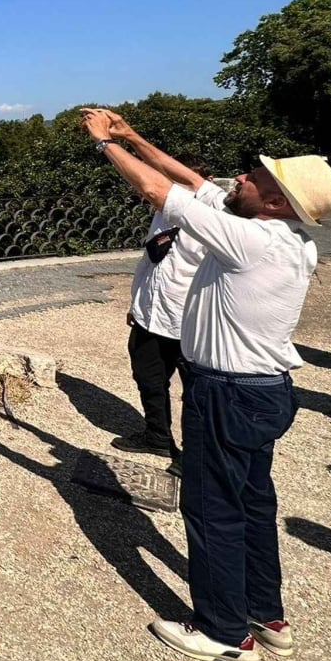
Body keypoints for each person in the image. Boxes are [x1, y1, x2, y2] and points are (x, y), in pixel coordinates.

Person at [81, 107, 331, 661]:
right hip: (266, 391)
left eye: (255, 178)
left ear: (275, 202)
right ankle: (265, 616)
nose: (239, 179)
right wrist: (132, 135)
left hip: (225, 393)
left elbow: (158, 189)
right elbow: (195, 184)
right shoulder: (290, 242)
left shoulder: (249, 241)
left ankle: (224, 633)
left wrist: (105, 145)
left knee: (212, 508)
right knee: (253, 503)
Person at [114, 154, 219, 462]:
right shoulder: (162, 213)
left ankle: (197, 456)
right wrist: (138, 304)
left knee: (197, 391)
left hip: (190, 319)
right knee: (148, 377)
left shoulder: (214, 218)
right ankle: (157, 435)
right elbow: (153, 263)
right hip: (152, 314)